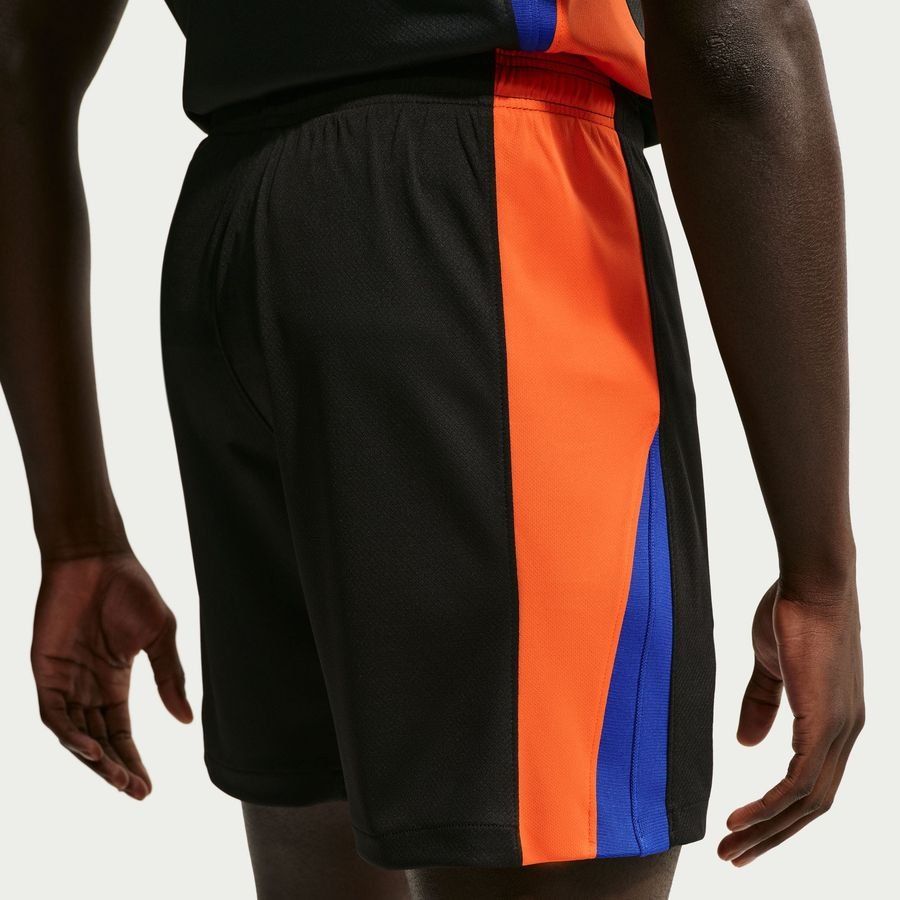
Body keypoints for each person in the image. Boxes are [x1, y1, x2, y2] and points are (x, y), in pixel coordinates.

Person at [0, 1, 865, 897]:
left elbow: (22, 60)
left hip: (239, 229)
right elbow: (735, 37)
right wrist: (820, 576)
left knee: (320, 841)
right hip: (487, 215)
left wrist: (76, 535)